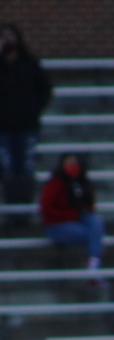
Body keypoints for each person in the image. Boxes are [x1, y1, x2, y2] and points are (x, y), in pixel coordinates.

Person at [0, 24, 51, 213]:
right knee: (7, 170)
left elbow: (45, 90)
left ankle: (25, 212)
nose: (7, 41)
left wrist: (33, 110)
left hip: (27, 127)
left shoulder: (29, 64)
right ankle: (12, 212)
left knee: (26, 170)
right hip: (3, 128)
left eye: (10, 36)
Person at [39, 153, 104, 276]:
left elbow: (90, 207)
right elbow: (46, 210)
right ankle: (94, 264)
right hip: (57, 224)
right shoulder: (55, 184)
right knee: (92, 235)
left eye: (74, 163)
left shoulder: (83, 182)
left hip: (78, 220)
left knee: (96, 222)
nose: (72, 167)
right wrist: (72, 215)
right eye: (69, 163)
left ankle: (94, 261)